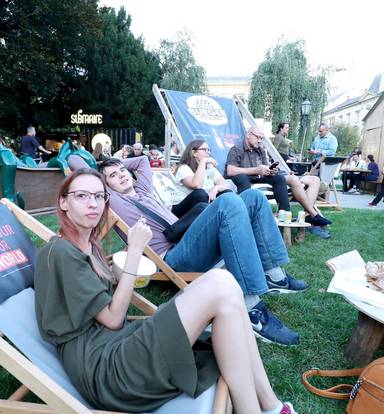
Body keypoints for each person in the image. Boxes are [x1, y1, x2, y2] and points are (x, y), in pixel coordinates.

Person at [34, 169, 297, 414]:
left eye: (99, 196)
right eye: (81, 196)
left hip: (121, 346)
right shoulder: (60, 251)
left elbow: (100, 300)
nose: (92, 203)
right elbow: (113, 319)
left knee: (227, 292)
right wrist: (135, 250)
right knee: (220, 283)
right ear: (63, 203)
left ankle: (270, 406)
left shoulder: (89, 246)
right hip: (108, 369)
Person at [69, 154, 308, 346]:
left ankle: (274, 274)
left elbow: (142, 161)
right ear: (103, 184)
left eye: (122, 170)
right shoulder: (115, 201)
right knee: (227, 203)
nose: (121, 175)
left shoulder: (143, 190)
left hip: (187, 242)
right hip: (172, 258)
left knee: (253, 197)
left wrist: (119, 160)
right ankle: (251, 307)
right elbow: (76, 163)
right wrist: (102, 167)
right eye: (112, 175)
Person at [225, 126, 332, 234]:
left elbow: (264, 167)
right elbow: (230, 171)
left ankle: (284, 212)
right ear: (248, 135)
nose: (260, 141)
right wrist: (256, 170)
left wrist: (271, 170)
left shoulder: (260, 150)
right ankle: (246, 216)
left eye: (261, 138)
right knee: (242, 178)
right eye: (258, 137)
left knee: (279, 178)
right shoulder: (236, 149)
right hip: (244, 179)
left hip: (258, 178)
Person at [172, 140, 232, 217]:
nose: (208, 152)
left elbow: (227, 185)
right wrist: (203, 161)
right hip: (181, 209)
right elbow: (196, 185)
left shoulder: (210, 169)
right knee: (200, 193)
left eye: (209, 150)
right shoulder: (183, 168)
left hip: (201, 207)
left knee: (226, 193)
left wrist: (216, 188)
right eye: (204, 149)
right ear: (194, 153)